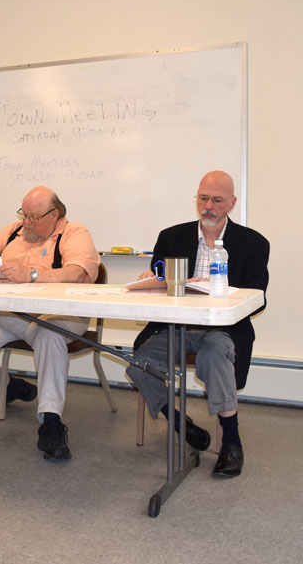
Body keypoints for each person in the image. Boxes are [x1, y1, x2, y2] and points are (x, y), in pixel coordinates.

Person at [126, 170, 269, 477]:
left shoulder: (253, 243)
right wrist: (151, 282)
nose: (208, 206)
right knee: (137, 365)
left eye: (217, 200)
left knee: (214, 353)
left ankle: (231, 440)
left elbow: (258, 297)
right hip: (176, 327)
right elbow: (160, 283)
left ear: (231, 203)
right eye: (203, 198)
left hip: (222, 330)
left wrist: (220, 290)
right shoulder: (171, 236)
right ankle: (181, 423)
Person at [0, 187, 100, 460]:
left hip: (61, 318)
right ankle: (7, 387)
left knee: (48, 335)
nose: (26, 222)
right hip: (9, 316)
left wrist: (30, 274)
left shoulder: (75, 232)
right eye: (23, 214)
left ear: (56, 214)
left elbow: (77, 273)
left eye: (34, 217)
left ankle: (51, 421)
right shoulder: (13, 232)